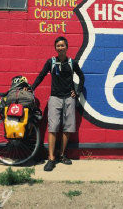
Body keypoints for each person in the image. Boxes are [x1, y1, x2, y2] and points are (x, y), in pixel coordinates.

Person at [30, 36, 84, 172]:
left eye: (62, 45)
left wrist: (76, 92)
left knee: (68, 128)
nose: (60, 48)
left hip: (69, 99)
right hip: (55, 98)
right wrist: (32, 88)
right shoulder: (51, 62)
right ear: (55, 48)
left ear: (67, 47)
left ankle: (62, 154)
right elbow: (41, 75)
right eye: (58, 46)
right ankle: (51, 158)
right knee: (53, 127)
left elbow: (82, 77)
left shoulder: (72, 62)